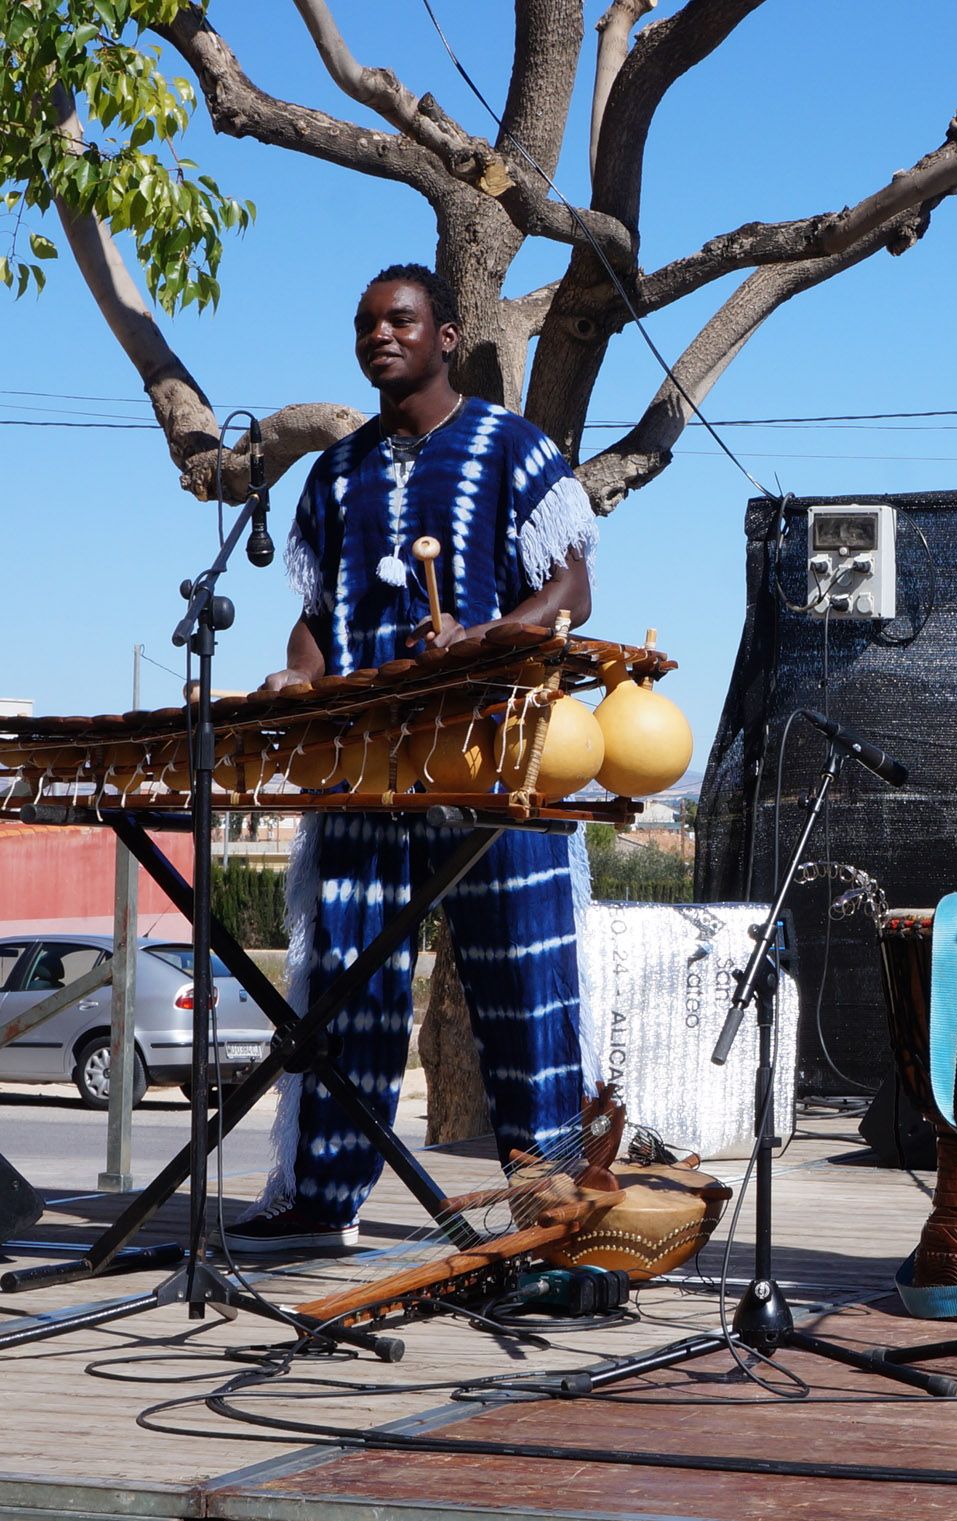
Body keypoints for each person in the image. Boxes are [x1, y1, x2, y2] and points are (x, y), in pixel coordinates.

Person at [226, 263, 600, 1252]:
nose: (379, 336)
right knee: (343, 989)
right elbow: (315, 619)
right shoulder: (336, 472)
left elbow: (570, 593)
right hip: (367, 768)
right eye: (365, 324)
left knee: (524, 998)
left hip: (495, 766)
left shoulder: (511, 448)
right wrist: (297, 680)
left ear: (444, 337)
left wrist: (478, 638)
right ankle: (318, 1200)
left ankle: (553, 1219)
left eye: (399, 320)